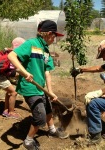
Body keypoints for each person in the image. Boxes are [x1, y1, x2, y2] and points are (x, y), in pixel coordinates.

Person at [8, 20, 69, 150]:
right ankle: (28, 141)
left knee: (48, 109)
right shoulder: (31, 43)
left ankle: (52, 130)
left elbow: (47, 73)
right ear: (47, 33)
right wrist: (25, 73)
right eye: (54, 35)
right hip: (29, 87)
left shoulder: (46, 51)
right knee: (40, 117)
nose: (55, 38)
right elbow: (11, 56)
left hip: (40, 88)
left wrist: (50, 92)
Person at [0, 37, 25, 119]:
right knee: (13, 92)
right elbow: (12, 72)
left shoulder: (9, 51)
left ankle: (6, 111)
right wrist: (21, 74)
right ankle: (11, 112)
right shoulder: (13, 56)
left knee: (9, 92)